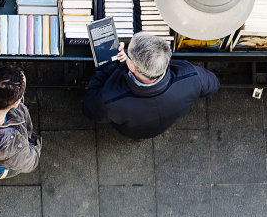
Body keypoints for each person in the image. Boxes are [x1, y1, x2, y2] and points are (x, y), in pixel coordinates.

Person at [82, 32, 220, 139]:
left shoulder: (110, 101)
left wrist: (108, 67)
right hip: (163, 124)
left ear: (132, 66)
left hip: (130, 130)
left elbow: (90, 109)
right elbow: (213, 84)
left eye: (127, 53)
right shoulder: (191, 76)